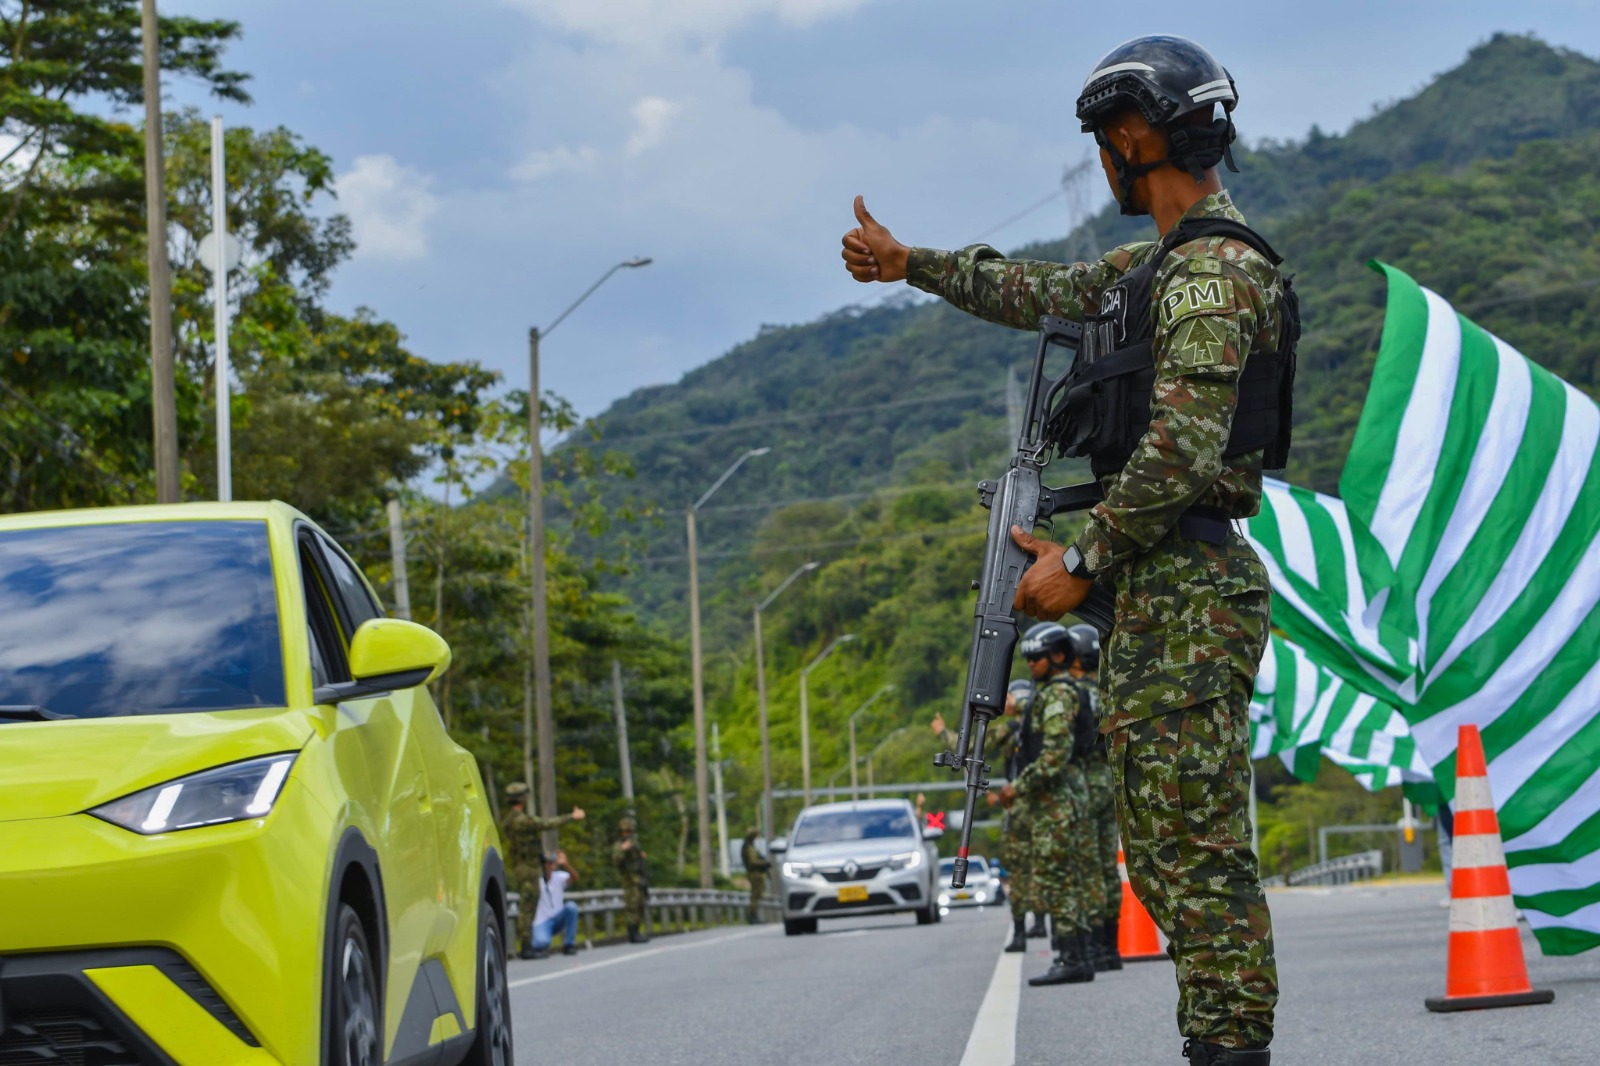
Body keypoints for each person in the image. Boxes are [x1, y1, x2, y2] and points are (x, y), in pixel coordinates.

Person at [840, 35, 1287, 1064]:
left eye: (1103, 146)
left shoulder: (1212, 275)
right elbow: (1041, 292)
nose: (1102, 163)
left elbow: (1180, 450)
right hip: (1158, 593)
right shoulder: (1159, 267)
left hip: (1186, 593)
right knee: (1173, 861)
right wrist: (912, 266)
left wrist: (1078, 559)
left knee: (1197, 860)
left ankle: (1230, 1052)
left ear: (1134, 140)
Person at [1015, 622, 1102, 987]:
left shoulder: (1058, 695)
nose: (1032, 664)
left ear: (1059, 656)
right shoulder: (1056, 692)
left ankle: (1071, 958)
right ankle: (1078, 955)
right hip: (1062, 799)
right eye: (1029, 658)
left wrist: (1018, 787)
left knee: (1060, 879)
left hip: (1059, 801)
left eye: (1037, 657)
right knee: (1068, 879)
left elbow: (1054, 756)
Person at [1066, 623, 1123, 972]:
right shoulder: (1106, 690)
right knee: (1106, 868)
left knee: (1085, 869)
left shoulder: (1069, 693)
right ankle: (1109, 948)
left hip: (1083, 784)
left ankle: (1087, 947)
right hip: (1108, 781)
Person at [500, 782, 586, 959]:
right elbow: (546, 823)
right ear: (523, 798)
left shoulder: (510, 820)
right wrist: (572, 816)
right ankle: (526, 947)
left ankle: (527, 945)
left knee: (528, 905)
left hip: (524, 866)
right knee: (528, 906)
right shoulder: (520, 820)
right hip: (528, 868)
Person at [529, 850, 581, 958]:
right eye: (550, 863)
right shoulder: (536, 881)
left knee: (571, 907)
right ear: (545, 865)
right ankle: (538, 943)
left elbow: (575, 878)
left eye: (553, 862)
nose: (553, 865)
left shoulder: (559, 877)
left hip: (558, 917)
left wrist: (566, 864)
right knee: (541, 943)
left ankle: (569, 945)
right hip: (542, 921)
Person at [613, 816, 650, 943]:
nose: (628, 834)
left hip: (639, 880)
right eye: (625, 832)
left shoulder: (635, 844)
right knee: (632, 908)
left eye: (630, 831)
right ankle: (632, 934)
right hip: (629, 881)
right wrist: (623, 849)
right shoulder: (619, 845)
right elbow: (616, 860)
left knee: (640, 906)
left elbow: (639, 863)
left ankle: (637, 931)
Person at [741, 827, 771, 924]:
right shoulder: (749, 847)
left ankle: (754, 914)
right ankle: (753, 915)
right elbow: (753, 861)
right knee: (755, 894)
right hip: (754, 873)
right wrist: (764, 863)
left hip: (755, 872)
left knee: (758, 894)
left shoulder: (750, 846)